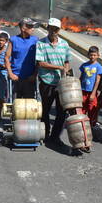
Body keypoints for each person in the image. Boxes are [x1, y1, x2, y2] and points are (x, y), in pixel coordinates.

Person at [36, 18, 71, 146]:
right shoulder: (41, 44)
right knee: (45, 110)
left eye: (55, 29)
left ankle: (55, 137)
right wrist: (59, 67)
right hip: (47, 82)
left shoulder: (64, 44)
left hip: (61, 84)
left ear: (59, 30)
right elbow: (40, 63)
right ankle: (45, 134)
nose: (53, 31)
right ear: (48, 29)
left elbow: (67, 61)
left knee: (62, 112)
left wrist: (65, 70)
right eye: (51, 28)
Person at [6, 18, 38, 99]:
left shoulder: (35, 40)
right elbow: (6, 58)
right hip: (16, 78)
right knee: (16, 105)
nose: (33, 29)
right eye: (30, 26)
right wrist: (10, 74)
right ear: (23, 28)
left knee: (29, 106)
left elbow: (39, 59)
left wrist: (34, 75)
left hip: (29, 78)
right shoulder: (13, 40)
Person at [79, 46, 102, 126]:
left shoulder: (99, 67)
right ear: (88, 55)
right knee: (81, 109)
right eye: (91, 55)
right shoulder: (84, 65)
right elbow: (81, 77)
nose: (92, 57)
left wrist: (93, 93)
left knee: (92, 109)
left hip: (92, 92)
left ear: (98, 55)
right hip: (83, 91)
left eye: (94, 55)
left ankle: (92, 126)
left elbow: (97, 81)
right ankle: (82, 126)